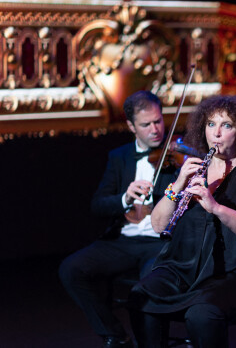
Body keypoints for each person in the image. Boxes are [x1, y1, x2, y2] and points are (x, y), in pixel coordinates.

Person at [128, 95, 236, 348]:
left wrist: (215, 207)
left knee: (201, 313)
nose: (216, 134)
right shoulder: (192, 168)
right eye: (211, 125)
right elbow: (158, 225)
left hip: (233, 273)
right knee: (140, 296)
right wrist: (177, 185)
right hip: (182, 267)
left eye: (226, 126)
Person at [59, 91, 176, 348]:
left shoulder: (178, 154)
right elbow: (98, 205)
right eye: (146, 124)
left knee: (146, 289)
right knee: (71, 269)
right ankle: (116, 335)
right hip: (123, 241)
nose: (155, 129)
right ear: (131, 126)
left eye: (158, 121)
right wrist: (124, 197)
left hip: (161, 242)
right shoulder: (119, 156)